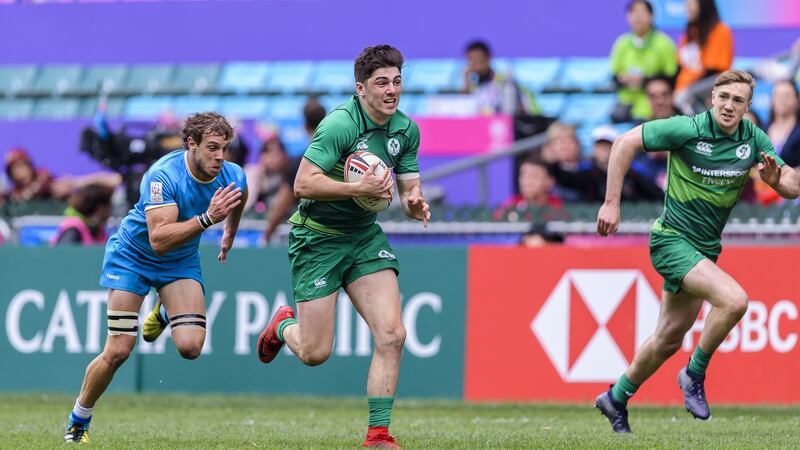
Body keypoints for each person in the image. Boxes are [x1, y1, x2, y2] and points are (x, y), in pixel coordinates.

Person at [594, 70, 800, 433]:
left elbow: (790, 184)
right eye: (724, 97)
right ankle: (694, 374)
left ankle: (616, 398)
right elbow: (625, 142)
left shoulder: (753, 139)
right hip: (671, 240)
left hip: (704, 250)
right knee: (735, 300)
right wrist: (611, 203)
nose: (729, 106)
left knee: (668, 338)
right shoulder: (686, 128)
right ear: (712, 99)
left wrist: (776, 182)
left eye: (738, 100)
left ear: (748, 107)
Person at [255, 45, 430, 449]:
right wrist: (356, 188)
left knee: (393, 334)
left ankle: (378, 435)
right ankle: (283, 324)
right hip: (317, 238)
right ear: (360, 88)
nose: (391, 91)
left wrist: (415, 201)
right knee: (315, 353)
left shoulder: (406, 130)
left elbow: (407, 191)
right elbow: (302, 184)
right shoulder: (339, 125)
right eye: (381, 83)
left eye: (397, 82)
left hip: (364, 237)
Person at [62, 112, 247, 443]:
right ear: (191, 144)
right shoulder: (163, 175)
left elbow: (239, 197)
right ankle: (79, 419)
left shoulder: (232, 175)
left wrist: (229, 231)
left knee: (190, 347)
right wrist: (208, 219)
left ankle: (164, 311)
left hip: (179, 262)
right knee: (119, 349)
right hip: (133, 257)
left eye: (225, 148)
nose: (220, 156)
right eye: (213, 148)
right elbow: (159, 239)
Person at [609, 0, 677, 122]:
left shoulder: (664, 43)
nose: (638, 17)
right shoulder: (622, 43)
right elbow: (614, 76)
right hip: (626, 100)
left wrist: (644, 80)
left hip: (652, 102)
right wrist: (623, 79)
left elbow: (671, 76)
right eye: (634, 13)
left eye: (642, 12)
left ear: (652, 16)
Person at [462, 40, 539, 116]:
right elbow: (464, 110)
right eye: (472, 62)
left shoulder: (504, 81)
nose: (477, 66)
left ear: (488, 59)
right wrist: (466, 83)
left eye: (480, 61)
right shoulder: (472, 86)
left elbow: (510, 112)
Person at [675, 0, 733, 95]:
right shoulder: (690, 32)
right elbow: (680, 66)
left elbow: (714, 72)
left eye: (691, 4)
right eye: (686, 4)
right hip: (681, 93)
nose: (687, 8)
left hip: (704, 95)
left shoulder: (720, 31)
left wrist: (688, 92)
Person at [50, 183, 114, 245]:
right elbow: (63, 255)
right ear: (99, 208)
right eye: (109, 204)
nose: (111, 209)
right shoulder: (73, 229)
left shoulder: (99, 230)